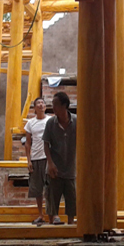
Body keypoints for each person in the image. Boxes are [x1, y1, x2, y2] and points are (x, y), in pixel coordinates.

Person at [41, 91, 76, 225]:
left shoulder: (76, 121)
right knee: (52, 200)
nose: (53, 107)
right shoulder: (51, 123)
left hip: (70, 168)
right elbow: (46, 143)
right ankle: (52, 224)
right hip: (54, 168)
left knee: (72, 200)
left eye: (56, 104)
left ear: (64, 105)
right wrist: (50, 163)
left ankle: (71, 224)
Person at [23, 97, 50, 226]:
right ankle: (41, 215)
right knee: (37, 188)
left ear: (45, 106)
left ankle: (52, 214)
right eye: (38, 103)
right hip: (36, 157)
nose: (40, 104)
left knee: (50, 187)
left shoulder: (50, 121)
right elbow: (28, 143)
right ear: (34, 108)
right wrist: (28, 160)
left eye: (42, 103)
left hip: (48, 158)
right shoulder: (30, 123)